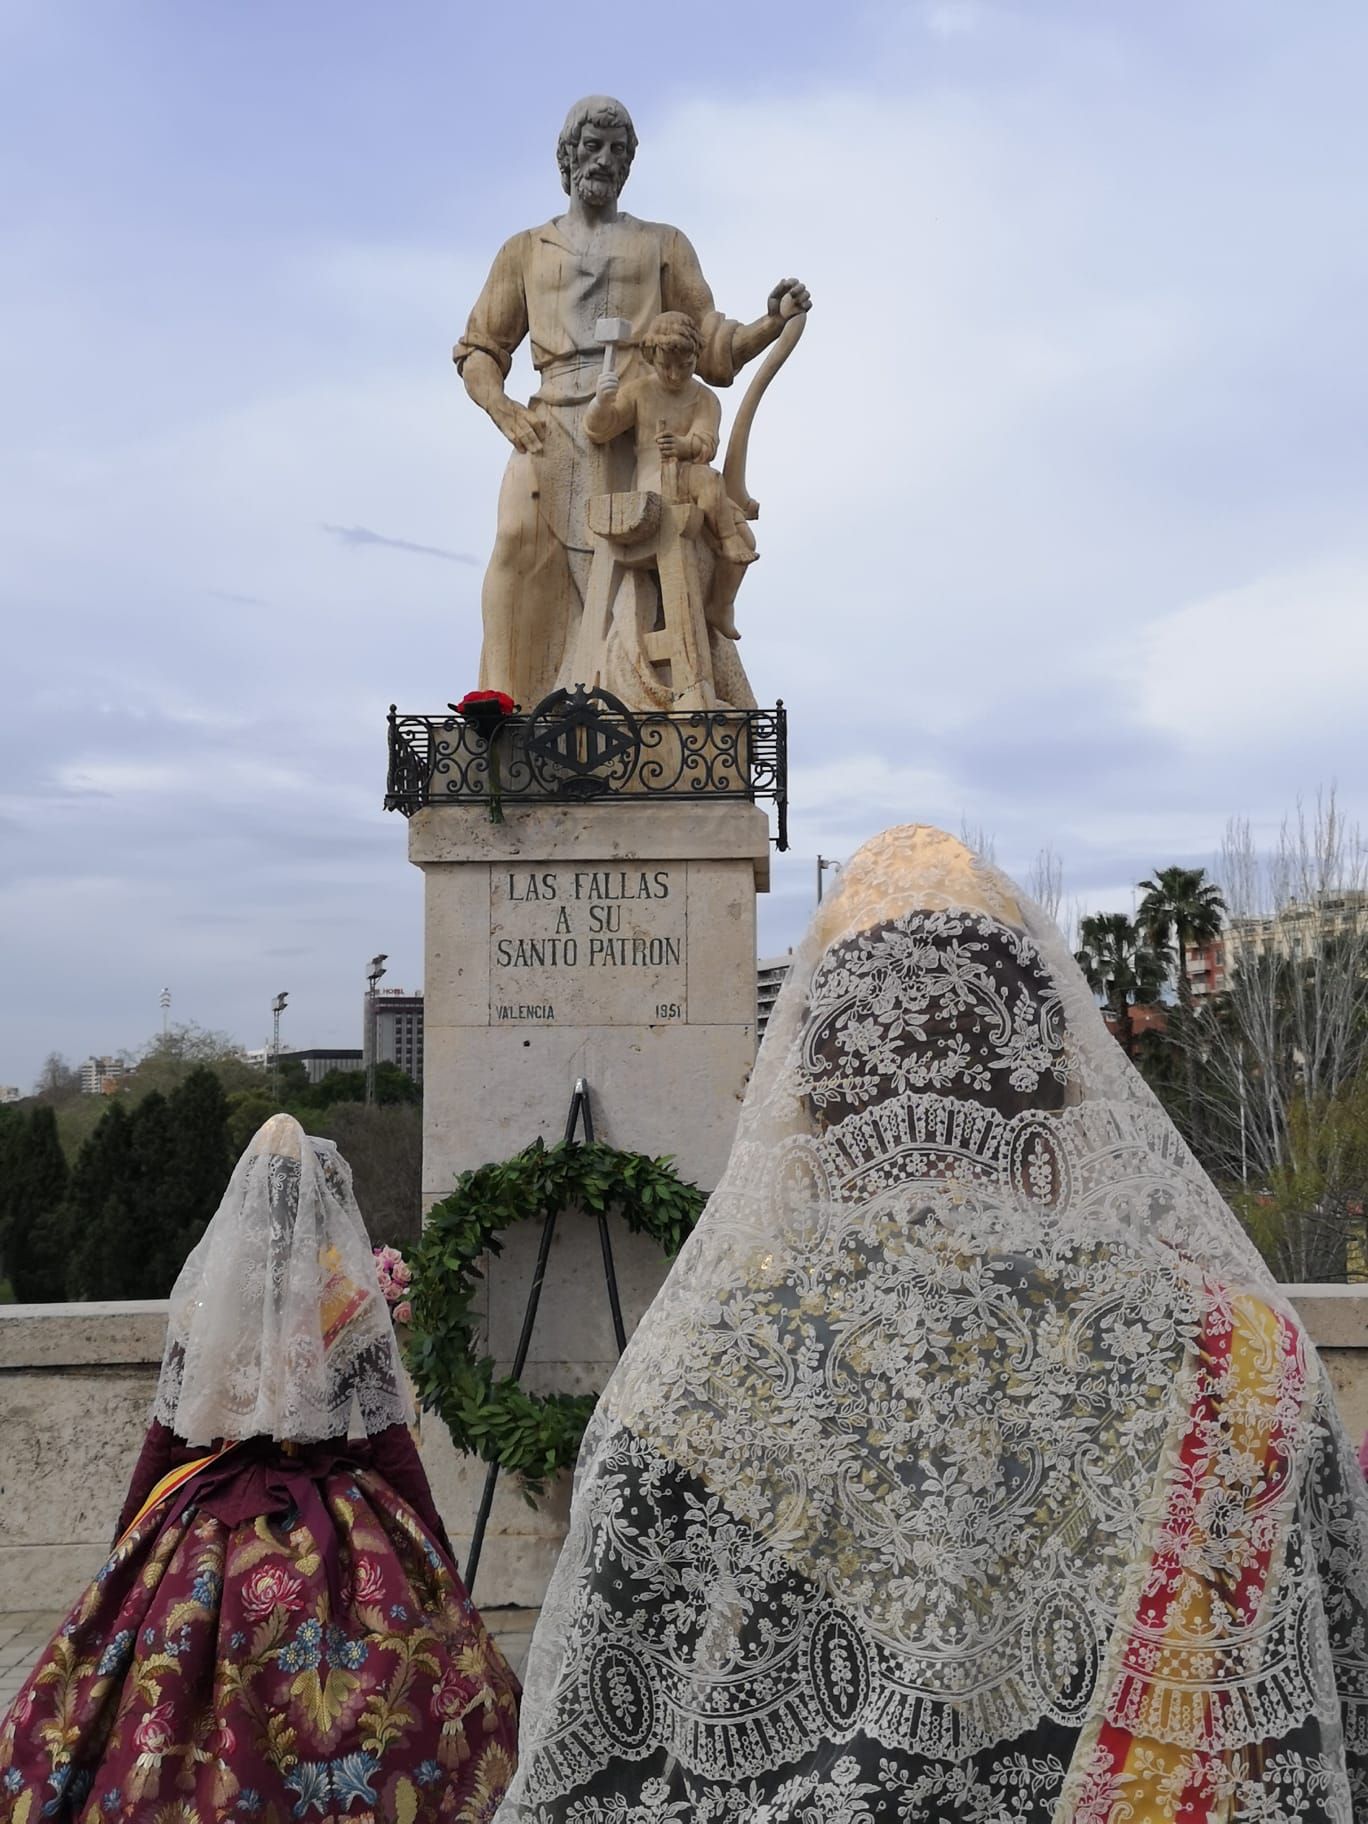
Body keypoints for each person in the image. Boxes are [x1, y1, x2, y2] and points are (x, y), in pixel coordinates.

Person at [494, 826, 1368, 1822]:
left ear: (811, 1108)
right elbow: (1331, 1701)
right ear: (1063, 1086)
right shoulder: (1241, 1360)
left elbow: (588, 1766)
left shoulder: (702, 1366)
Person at [0, 1114, 519, 1824]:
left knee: (175, 1687)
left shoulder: (206, 1304)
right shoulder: (349, 1304)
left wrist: (128, 1548)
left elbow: (168, 1439)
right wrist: (436, 1553)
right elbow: (392, 1440)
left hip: (211, 1519)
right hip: (340, 1516)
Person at [454, 94, 809, 708]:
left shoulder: (663, 244)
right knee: (515, 542)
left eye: (618, 151)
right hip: (549, 422)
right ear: (567, 157)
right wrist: (502, 408)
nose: (604, 160)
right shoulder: (524, 250)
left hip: (638, 431)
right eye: (592, 147)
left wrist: (768, 324)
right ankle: (502, 716)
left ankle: (625, 706)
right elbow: (480, 348)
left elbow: (713, 344)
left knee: (630, 584)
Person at [584, 310, 757, 639]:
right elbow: (600, 431)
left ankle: (721, 604)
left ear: (696, 357)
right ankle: (727, 539)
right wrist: (601, 404)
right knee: (711, 482)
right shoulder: (639, 392)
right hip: (655, 481)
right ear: (651, 357)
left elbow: (708, 442)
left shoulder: (705, 398)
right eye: (666, 366)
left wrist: (685, 444)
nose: (675, 375)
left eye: (685, 366)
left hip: (693, 477)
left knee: (749, 538)